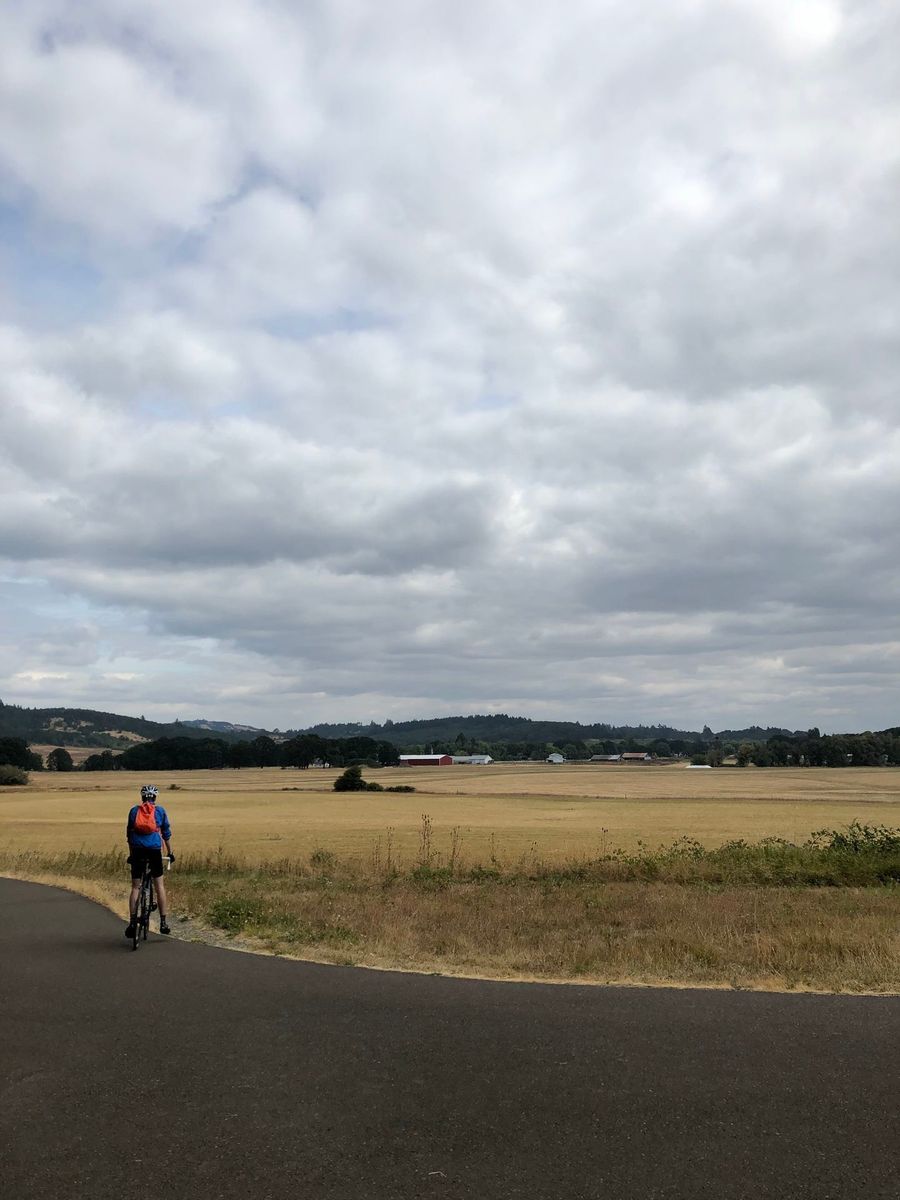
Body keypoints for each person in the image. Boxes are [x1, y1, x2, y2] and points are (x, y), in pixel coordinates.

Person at [125, 784, 174, 938]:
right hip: (154, 850)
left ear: (142, 797)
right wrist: (170, 852)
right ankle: (163, 923)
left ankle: (132, 923)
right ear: (155, 797)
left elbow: (129, 835)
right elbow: (166, 833)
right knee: (159, 885)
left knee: (135, 887)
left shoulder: (134, 811)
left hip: (137, 850)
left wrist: (131, 854)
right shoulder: (160, 811)